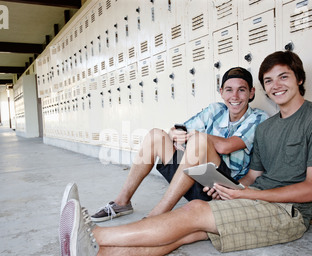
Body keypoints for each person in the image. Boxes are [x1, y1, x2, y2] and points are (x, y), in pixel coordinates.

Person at [58, 50, 312, 256]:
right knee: (182, 234)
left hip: (290, 214)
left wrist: (247, 194)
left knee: (193, 212)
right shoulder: (268, 128)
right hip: (253, 199)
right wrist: (230, 189)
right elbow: (254, 176)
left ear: (299, 79)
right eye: (269, 80)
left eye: (284, 77)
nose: (276, 85)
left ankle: (93, 236)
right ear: (264, 88)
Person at [91, 67, 268, 221]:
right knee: (156, 135)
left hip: (221, 189)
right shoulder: (216, 110)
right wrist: (172, 133)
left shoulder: (258, 117)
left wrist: (194, 136)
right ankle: (122, 202)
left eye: (241, 90)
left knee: (199, 140)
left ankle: (156, 216)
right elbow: (179, 129)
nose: (235, 96)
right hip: (197, 178)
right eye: (229, 90)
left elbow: (226, 146)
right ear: (221, 92)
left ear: (251, 93)